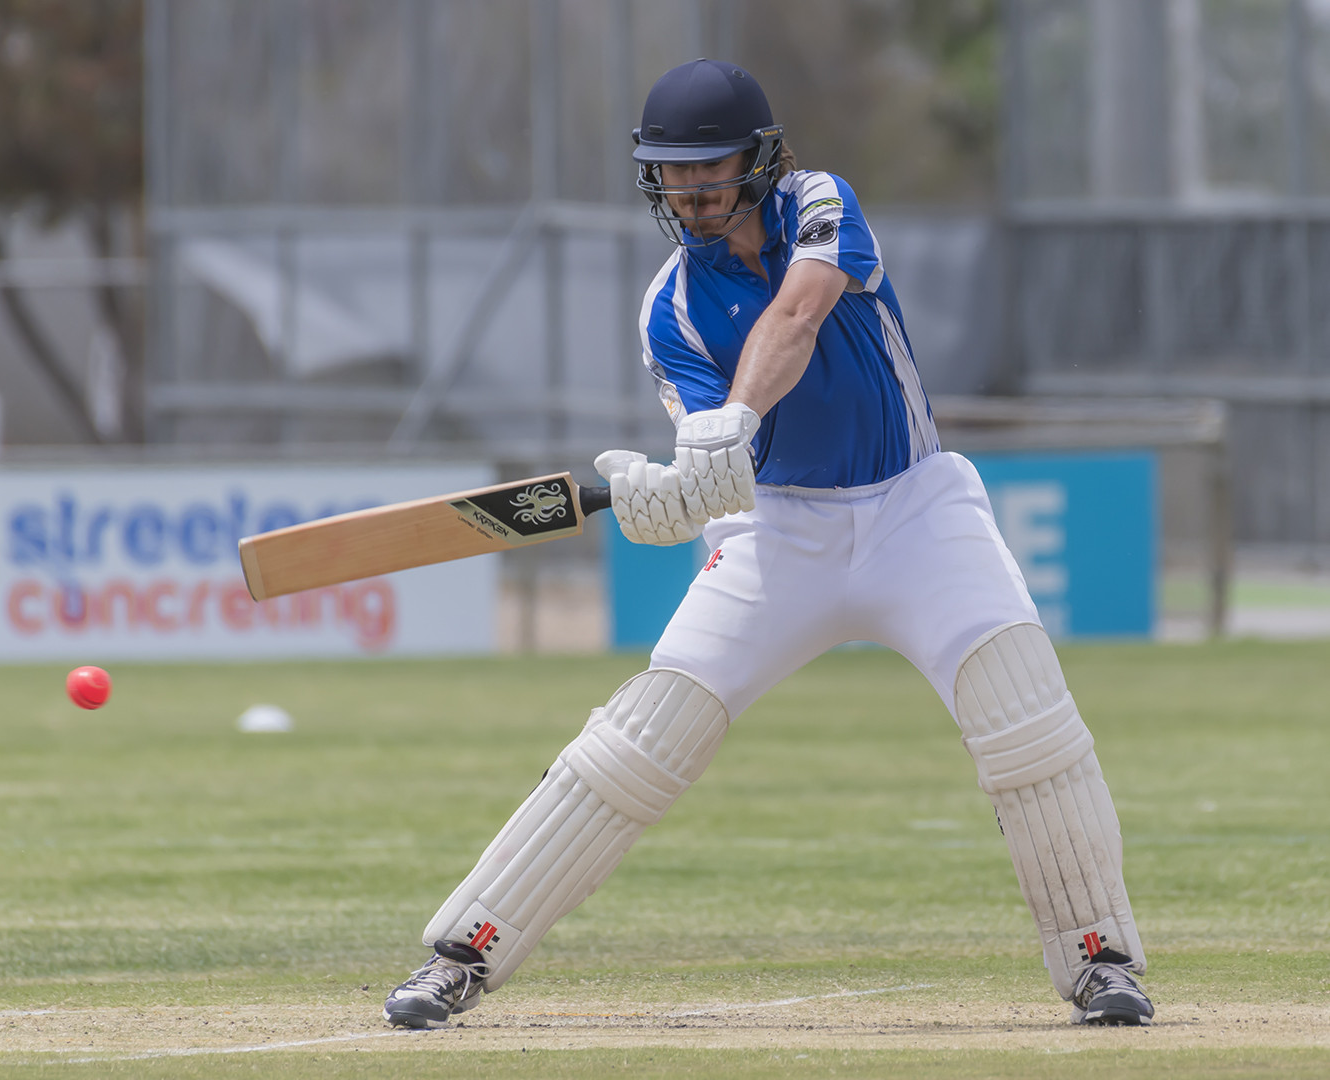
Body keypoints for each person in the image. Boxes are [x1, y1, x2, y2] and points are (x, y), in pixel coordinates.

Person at [382, 58, 1154, 1030]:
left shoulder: (819, 203)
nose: (691, 189)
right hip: (778, 533)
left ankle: (1100, 960)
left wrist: (733, 420)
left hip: (918, 509)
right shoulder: (668, 307)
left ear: (758, 157)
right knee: (637, 744)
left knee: (1026, 722)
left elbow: (800, 310)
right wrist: (676, 495)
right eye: (672, 171)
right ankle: (461, 957)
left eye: (708, 167)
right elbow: (714, 463)